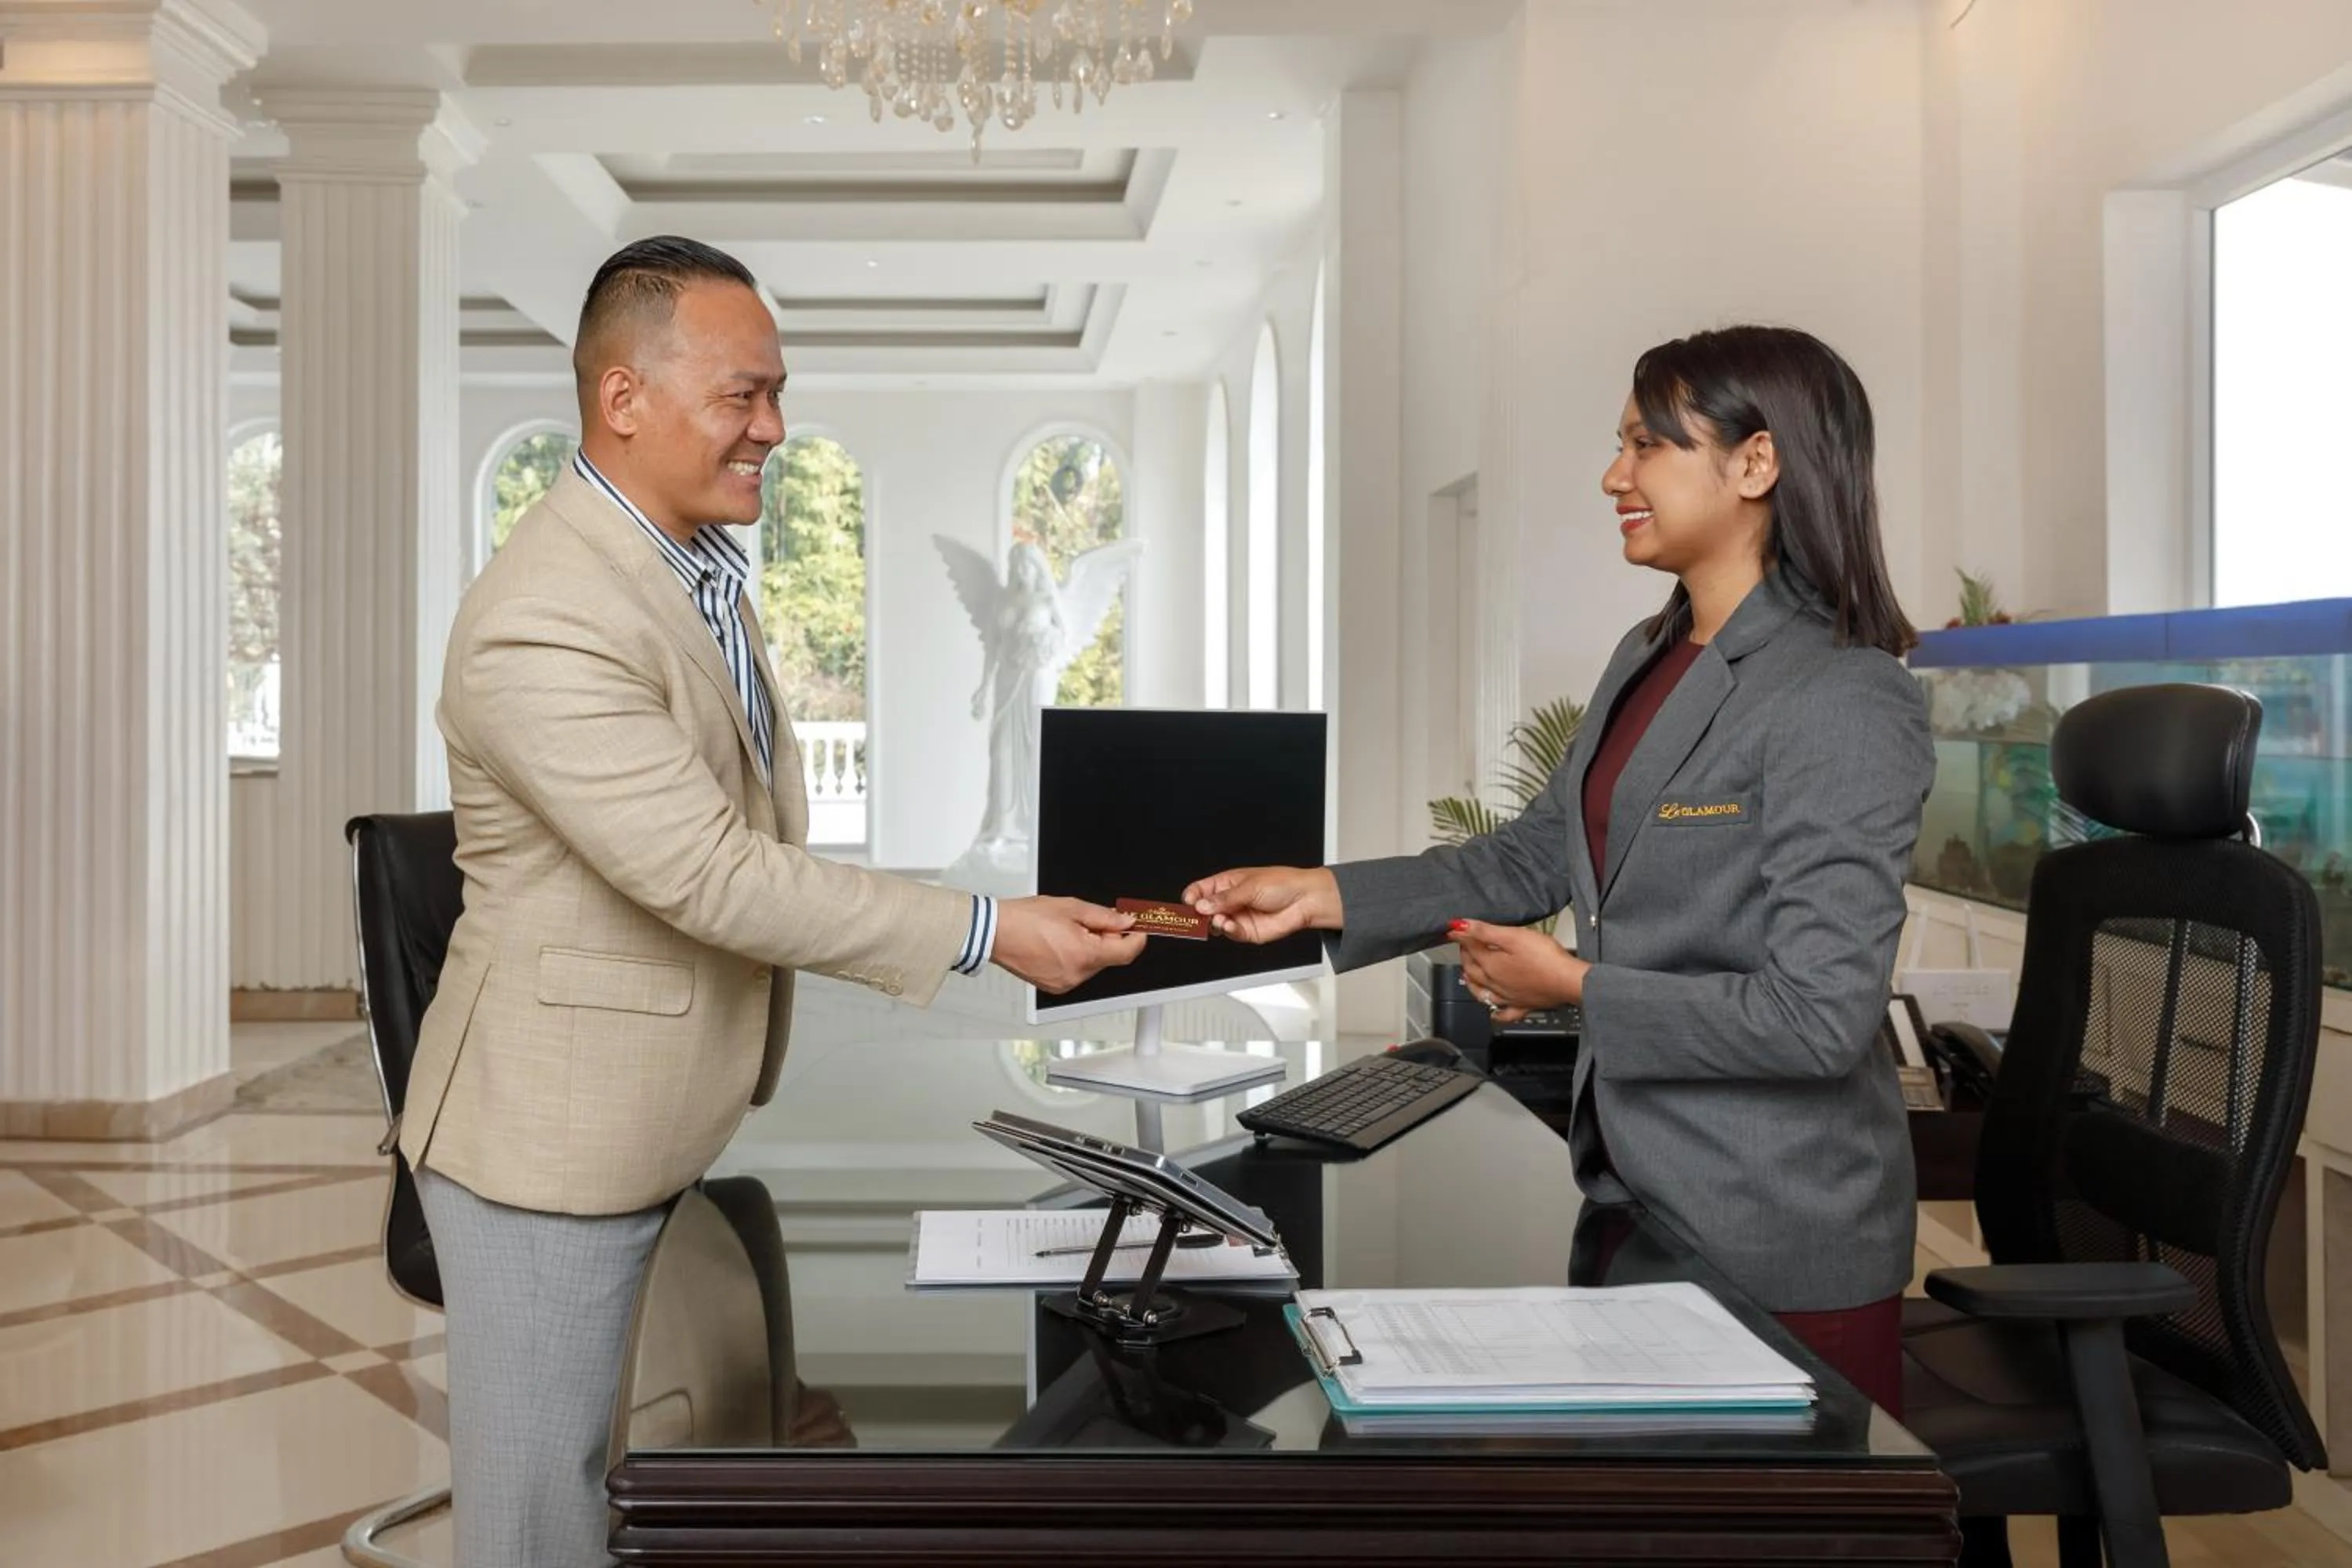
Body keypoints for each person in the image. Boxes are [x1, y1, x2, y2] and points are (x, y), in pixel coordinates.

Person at [400, 235, 1145, 1567]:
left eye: (776, 393)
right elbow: (707, 870)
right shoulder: (547, 614)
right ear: (623, 399)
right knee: (533, 1518)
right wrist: (987, 927)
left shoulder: (684, 570)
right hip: (544, 1135)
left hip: (640, 1110)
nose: (776, 428)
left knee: (599, 1483)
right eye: (743, 395)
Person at [1186, 325, 1934, 1415]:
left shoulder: (1843, 697)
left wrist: (1574, 990)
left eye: (1645, 446)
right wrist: (1327, 894)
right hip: (1631, 1197)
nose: (1613, 476)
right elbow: (1537, 851)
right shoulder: (1649, 651)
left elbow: (1819, 1019)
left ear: (1756, 464)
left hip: (1770, 1241)